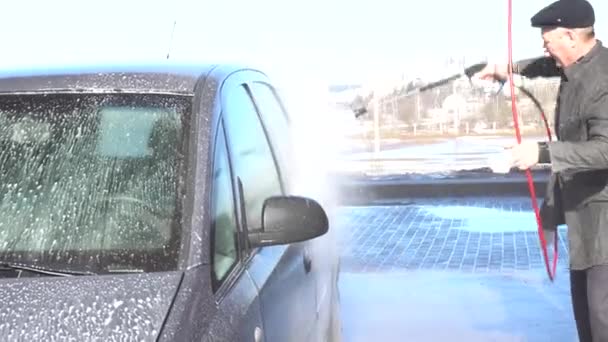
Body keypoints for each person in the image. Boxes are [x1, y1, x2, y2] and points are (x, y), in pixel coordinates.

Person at [473, 1, 608, 341]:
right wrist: (504, 68)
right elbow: (543, 66)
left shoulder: (603, 79)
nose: (544, 47)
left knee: (601, 319)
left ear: (571, 36)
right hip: (586, 227)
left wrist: (541, 151)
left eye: (548, 40)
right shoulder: (575, 66)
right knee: (588, 323)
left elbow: (605, 149)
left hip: (604, 226)